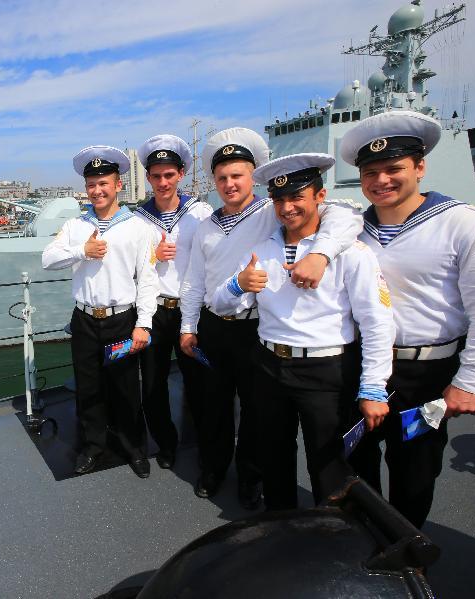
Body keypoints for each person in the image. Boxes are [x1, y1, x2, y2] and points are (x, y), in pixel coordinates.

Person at [178, 128, 363, 508]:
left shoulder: (272, 211)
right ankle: (214, 469)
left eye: (237, 176)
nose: (230, 184)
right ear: (214, 182)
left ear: (252, 177)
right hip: (215, 325)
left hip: (256, 327)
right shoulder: (205, 227)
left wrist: (321, 253)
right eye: (222, 178)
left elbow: (343, 215)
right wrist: (188, 326)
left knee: (256, 414)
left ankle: (251, 478)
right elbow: (194, 280)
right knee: (213, 406)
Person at [339, 110, 475, 528]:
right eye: (370, 172)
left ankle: (406, 550)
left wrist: (470, 381)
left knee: (414, 472)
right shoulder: (352, 229)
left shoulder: (467, 225)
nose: (381, 181)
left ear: (420, 166)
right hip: (361, 364)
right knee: (356, 460)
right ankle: (367, 537)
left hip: (425, 372)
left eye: (394, 169)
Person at [210, 153, 394, 509]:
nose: (287, 207)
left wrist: (373, 386)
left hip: (325, 371)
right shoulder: (261, 251)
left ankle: (334, 538)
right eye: (279, 199)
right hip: (269, 366)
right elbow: (220, 305)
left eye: (297, 197)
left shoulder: (349, 253)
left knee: (329, 464)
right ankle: (283, 527)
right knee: (273, 455)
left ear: (319, 198)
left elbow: (377, 321)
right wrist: (238, 285)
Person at [42, 146, 159, 478]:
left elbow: (148, 280)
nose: (97, 190)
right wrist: (82, 250)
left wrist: (144, 325)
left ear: (117, 185)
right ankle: (93, 446)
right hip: (84, 319)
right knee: (88, 388)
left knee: (125, 389)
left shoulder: (138, 228)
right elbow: (47, 259)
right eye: (91, 184)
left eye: (103, 183)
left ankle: (135, 447)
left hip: (122, 319)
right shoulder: (75, 226)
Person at [134, 134, 212, 469]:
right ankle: (166, 443)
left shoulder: (201, 213)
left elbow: (215, 255)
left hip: (191, 311)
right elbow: (129, 267)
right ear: (149, 178)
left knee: (201, 384)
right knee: (152, 386)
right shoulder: (137, 218)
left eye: (169, 175)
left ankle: (206, 445)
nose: (163, 182)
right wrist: (152, 257)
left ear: (181, 174)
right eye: (156, 176)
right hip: (154, 311)